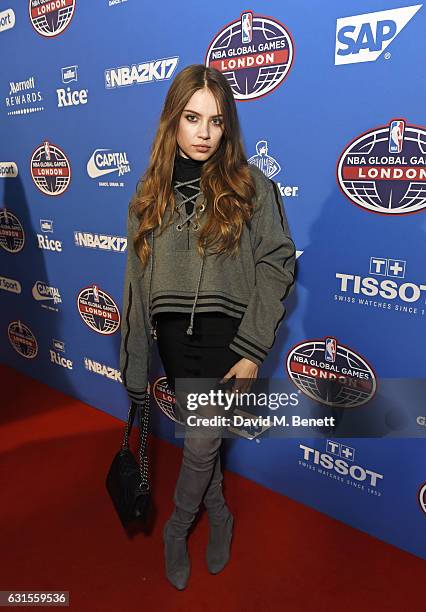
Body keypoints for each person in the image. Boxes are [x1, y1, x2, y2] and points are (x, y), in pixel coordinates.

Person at [119, 64, 296, 590]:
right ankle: (220, 514)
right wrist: (134, 365)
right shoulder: (149, 193)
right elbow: (133, 281)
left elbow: (278, 262)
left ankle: (178, 528)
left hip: (230, 339)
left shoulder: (251, 186)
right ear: (173, 120)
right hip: (174, 340)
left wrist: (253, 348)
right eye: (192, 117)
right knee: (208, 443)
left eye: (216, 121)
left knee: (198, 446)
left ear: (228, 127)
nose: (204, 133)